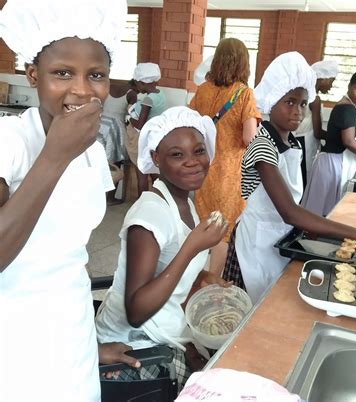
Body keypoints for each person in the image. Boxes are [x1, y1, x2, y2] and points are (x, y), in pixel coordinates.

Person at [0, 0, 126, 400]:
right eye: (62, 73)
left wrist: (92, 346)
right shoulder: (11, 142)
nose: (82, 90)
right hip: (17, 344)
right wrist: (55, 154)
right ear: (32, 74)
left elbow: (69, 258)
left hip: (72, 334)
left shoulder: (90, 147)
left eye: (97, 75)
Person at [221, 53, 356, 304]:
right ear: (271, 102)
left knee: (272, 303)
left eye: (303, 103)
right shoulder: (262, 146)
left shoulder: (290, 142)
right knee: (250, 311)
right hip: (256, 243)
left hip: (279, 237)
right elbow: (290, 212)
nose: (298, 111)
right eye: (289, 102)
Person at [95, 106, 231, 389]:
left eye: (198, 150)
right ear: (156, 158)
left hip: (162, 326)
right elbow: (136, 312)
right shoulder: (150, 215)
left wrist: (203, 279)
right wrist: (193, 247)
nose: (193, 162)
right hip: (132, 342)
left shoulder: (184, 203)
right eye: (177, 154)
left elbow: (173, 273)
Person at [189, 38, 261, 277]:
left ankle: (195, 276)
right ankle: (212, 281)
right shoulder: (244, 94)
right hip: (230, 174)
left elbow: (189, 124)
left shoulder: (203, 90)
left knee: (205, 223)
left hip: (203, 169)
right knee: (223, 232)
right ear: (243, 63)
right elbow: (250, 138)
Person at [302, 70, 356, 217]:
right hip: (331, 164)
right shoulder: (346, 109)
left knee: (324, 210)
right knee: (318, 212)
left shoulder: (351, 107)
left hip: (335, 162)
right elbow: (348, 141)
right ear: (349, 86)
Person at [125, 62, 167, 196]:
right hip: (155, 138)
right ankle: (159, 199)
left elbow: (140, 124)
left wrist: (128, 118)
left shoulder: (148, 99)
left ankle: (141, 204)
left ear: (142, 82)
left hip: (144, 139)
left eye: (137, 83)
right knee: (154, 172)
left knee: (142, 173)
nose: (137, 86)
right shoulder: (160, 94)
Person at [295, 60, 339, 176]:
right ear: (323, 78)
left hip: (297, 142)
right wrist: (339, 138)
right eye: (331, 81)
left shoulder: (303, 92)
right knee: (305, 179)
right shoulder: (315, 99)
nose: (331, 86)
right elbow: (318, 133)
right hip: (305, 144)